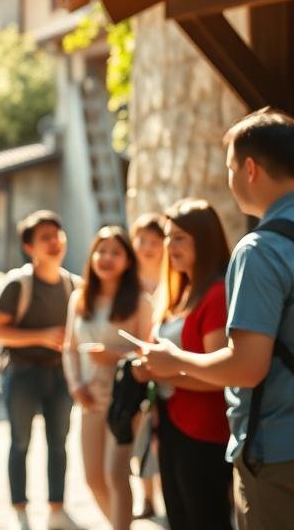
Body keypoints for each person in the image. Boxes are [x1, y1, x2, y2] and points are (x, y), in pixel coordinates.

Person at [137, 108, 294, 530]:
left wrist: (175, 362)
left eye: (229, 168)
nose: (230, 178)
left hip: (283, 450)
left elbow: (246, 367)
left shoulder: (259, 248)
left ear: (249, 168)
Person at [134, 199, 232, 530]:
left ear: (203, 240)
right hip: (172, 426)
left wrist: (165, 372)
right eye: (168, 236)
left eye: (179, 237)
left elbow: (221, 375)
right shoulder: (182, 290)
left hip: (204, 430)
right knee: (178, 518)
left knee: (205, 520)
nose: (169, 246)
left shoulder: (217, 293)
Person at [0, 210, 82, 530]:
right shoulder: (17, 284)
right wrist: (41, 336)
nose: (54, 242)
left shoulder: (74, 286)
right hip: (22, 373)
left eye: (58, 235)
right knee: (20, 442)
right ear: (29, 247)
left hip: (59, 374)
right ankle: (20, 511)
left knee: (59, 442)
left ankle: (56, 509)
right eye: (45, 237)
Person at [63, 226, 153, 530]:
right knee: (92, 477)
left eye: (116, 252)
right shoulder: (79, 298)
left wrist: (113, 352)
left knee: (116, 475)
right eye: (101, 250)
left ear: (128, 260)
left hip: (125, 402)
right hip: (89, 398)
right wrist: (75, 386)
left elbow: (149, 353)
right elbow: (70, 349)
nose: (107, 258)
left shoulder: (140, 302)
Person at [129, 212, 165, 519]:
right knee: (141, 437)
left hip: (168, 371)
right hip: (138, 372)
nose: (149, 246)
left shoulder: (173, 281)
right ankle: (147, 497)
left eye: (156, 240)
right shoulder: (127, 285)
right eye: (142, 239)